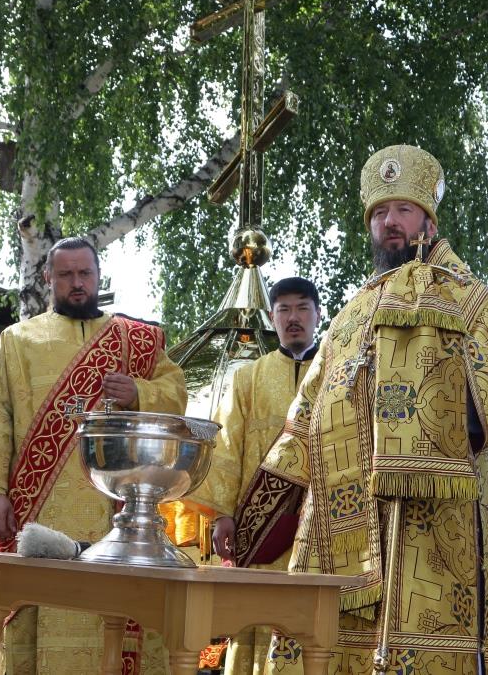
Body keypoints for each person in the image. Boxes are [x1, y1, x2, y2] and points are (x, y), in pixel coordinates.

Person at [212, 144, 488, 674]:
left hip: (427, 522)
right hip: (340, 521)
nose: (390, 222)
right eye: (380, 213)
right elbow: (306, 415)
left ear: (428, 220)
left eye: (403, 210)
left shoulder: (465, 295)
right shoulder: (351, 312)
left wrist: (433, 420)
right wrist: (249, 524)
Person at [0, 236, 187, 674]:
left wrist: (139, 391)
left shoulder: (137, 339)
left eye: (85, 273)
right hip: (38, 509)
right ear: (47, 278)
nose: (77, 283)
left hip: (118, 512)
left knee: (116, 613)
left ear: (98, 276)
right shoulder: (18, 340)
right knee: (37, 613)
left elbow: (176, 395)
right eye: (66, 274)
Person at [189, 276, 322, 675]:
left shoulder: (335, 375)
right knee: (256, 620)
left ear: (318, 315)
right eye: (284, 310)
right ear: (272, 318)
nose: (293, 318)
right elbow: (227, 446)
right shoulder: (248, 378)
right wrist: (222, 514)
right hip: (260, 526)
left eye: (302, 308)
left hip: (321, 524)